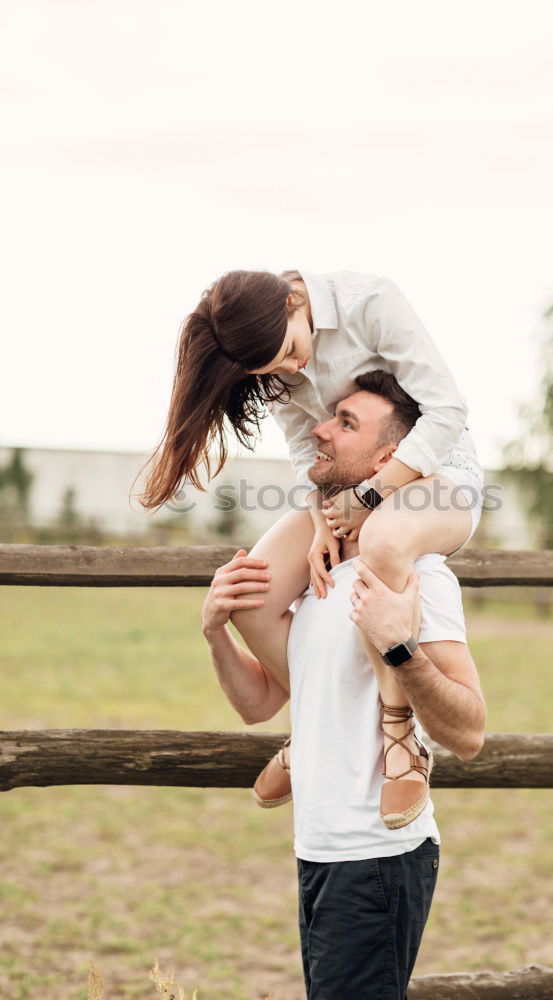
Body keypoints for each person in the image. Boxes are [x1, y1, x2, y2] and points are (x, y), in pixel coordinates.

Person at [136, 268, 484, 827]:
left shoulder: (370, 301)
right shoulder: (273, 359)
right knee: (255, 589)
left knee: (384, 538)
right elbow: (305, 445)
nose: (291, 370)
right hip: (344, 485)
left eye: (292, 352)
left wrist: (369, 495)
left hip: (438, 470)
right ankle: (321, 727)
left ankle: (399, 743)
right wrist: (322, 516)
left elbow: (447, 410)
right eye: (273, 369)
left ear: (295, 301)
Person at [201, 373, 486, 999]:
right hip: (318, 847)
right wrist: (216, 630)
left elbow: (468, 732)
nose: (320, 430)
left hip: (377, 857)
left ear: (389, 461)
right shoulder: (317, 578)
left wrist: (402, 651)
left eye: (347, 423)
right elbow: (258, 704)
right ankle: (298, 750)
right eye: (329, 415)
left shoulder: (421, 577)